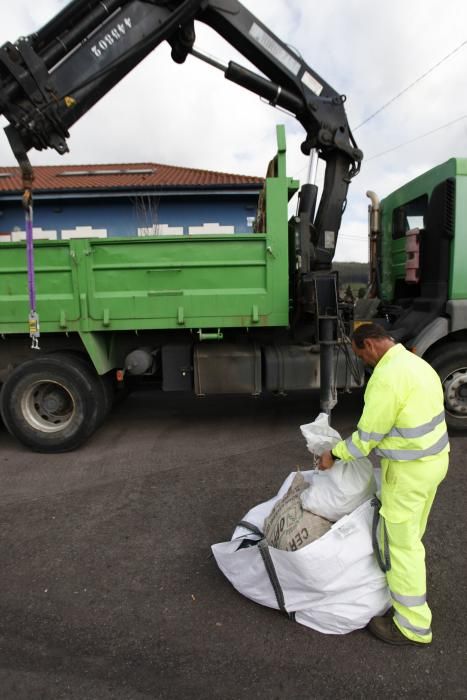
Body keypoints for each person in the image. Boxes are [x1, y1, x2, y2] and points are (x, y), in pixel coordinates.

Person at [319, 322, 449, 646]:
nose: (362, 360)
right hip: (434, 463)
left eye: (359, 353)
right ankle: (402, 594)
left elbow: (365, 439)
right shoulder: (418, 365)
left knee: (400, 548)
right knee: (411, 538)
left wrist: (332, 455)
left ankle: (412, 626)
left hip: (407, 473)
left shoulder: (387, 378)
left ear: (370, 346)